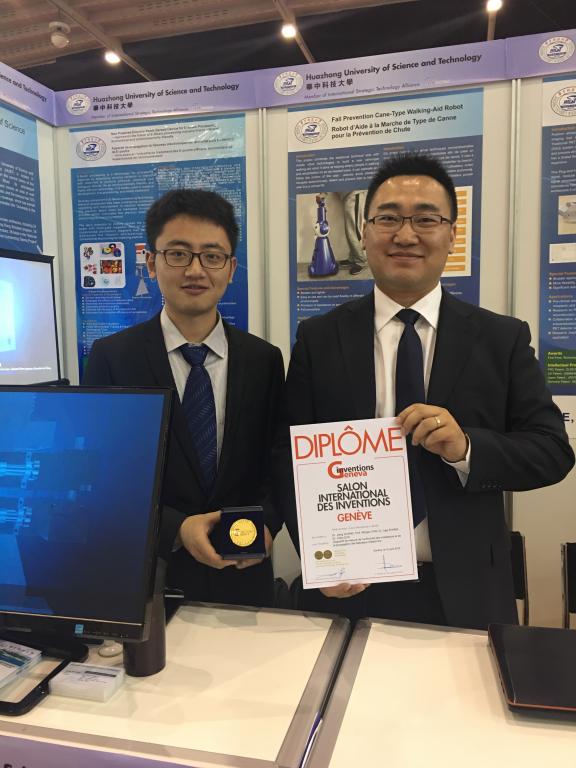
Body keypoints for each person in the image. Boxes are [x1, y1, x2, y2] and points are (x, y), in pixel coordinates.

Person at [280, 152, 574, 629]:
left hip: (468, 589)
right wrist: (316, 553)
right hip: (351, 585)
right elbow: (286, 455)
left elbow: (551, 452)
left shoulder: (501, 338)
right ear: (365, 232)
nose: (405, 235)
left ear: (452, 235)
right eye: (388, 218)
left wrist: (466, 448)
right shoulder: (319, 337)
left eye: (425, 219)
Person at [83, 189, 284, 608]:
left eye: (212, 256)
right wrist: (175, 528)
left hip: (243, 577)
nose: (195, 270)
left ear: (231, 268)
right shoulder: (113, 357)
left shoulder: (264, 359)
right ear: (151, 263)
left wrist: (268, 524)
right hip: (151, 580)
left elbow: (277, 461)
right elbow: (103, 475)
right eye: (178, 254)